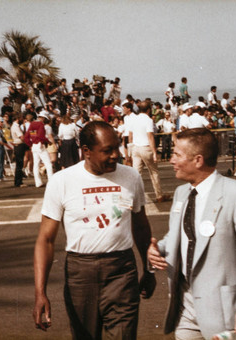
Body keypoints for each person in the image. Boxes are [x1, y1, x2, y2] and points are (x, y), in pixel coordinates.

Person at [33, 121, 156, 339]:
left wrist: (148, 270)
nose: (115, 155)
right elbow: (46, 240)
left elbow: (140, 225)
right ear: (86, 152)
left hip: (122, 271)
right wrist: (40, 292)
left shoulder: (131, 177)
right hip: (80, 273)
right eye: (107, 150)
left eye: (116, 148)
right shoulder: (62, 181)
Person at [147, 128, 236, 340]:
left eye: (176, 154)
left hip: (224, 311)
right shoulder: (181, 193)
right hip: (186, 308)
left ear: (198, 160)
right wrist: (158, 250)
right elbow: (179, 237)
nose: (171, 160)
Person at [129, 101, 169, 203]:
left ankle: (133, 196)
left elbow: (130, 135)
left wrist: (130, 149)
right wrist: (155, 152)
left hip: (135, 147)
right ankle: (159, 195)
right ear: (148, 110)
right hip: (146, 148)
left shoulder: (134, 119)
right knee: (153, 172)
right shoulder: (148, 120)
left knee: (136, 174)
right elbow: (150, 136)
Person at [24, 112, 54, 188]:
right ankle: (51, 182)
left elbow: (26, 137)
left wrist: (31, 144)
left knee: (36, 165)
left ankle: (38, 182)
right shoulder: (41, 125)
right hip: (40, 145)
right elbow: (41, 136)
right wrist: (48, 141)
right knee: (48, 164)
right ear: (43, 118)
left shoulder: (32, 124)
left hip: (34, 146)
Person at [10, 113, 28, 187]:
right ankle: (18, 182)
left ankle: (19, 181)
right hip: (19, 145)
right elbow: (22, 137)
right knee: (19, 164)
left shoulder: (17, 126)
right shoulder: (15, 127)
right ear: (18, 118)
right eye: (22, 118)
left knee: (19, 164)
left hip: (19, 145)